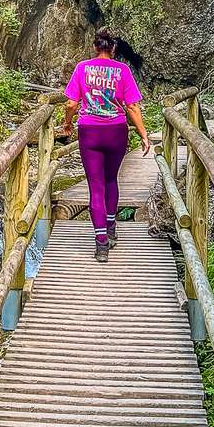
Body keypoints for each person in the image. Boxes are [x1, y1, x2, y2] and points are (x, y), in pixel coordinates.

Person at [61, 29, 151, 262]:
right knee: (111, 179)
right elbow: (132, 106)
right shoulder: (122, 70)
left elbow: (71, 103)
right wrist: (144, 135)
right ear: (113, 49)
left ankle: (101, 243)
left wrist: (68, 123)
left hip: (89, 131)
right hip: (116, 131)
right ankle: (111, 227)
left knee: (96, 186)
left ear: (95, 47)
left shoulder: (82, 68)